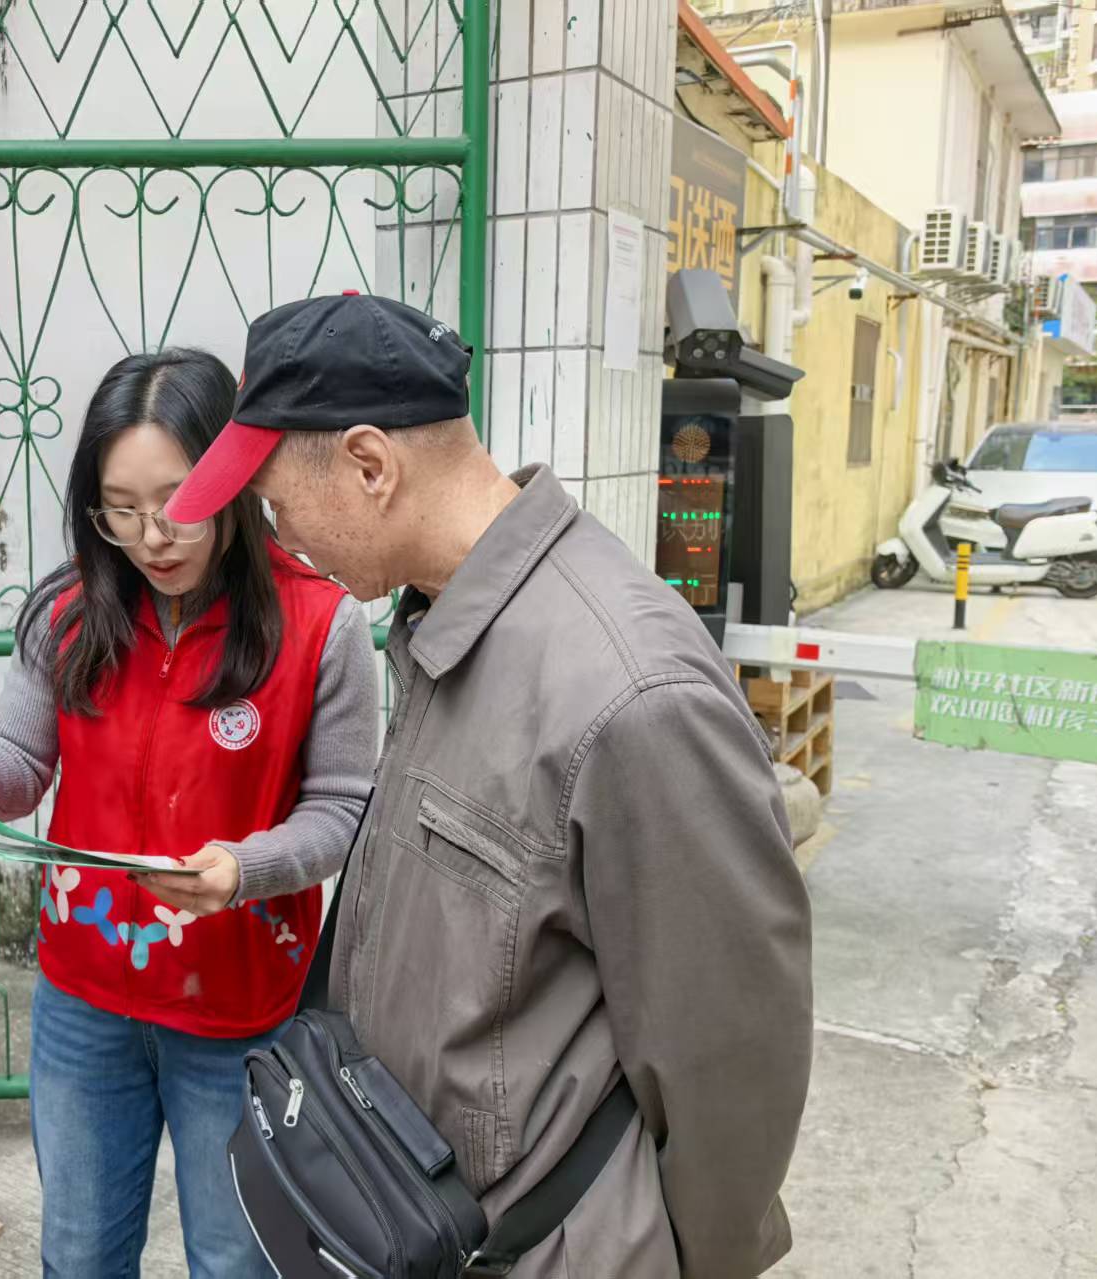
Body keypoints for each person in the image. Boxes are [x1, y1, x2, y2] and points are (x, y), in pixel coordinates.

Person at [164, 295, 814, 1278]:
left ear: (369, 466)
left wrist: (652, 1254)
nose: (278, 535)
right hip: (430, 1221)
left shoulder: (630, 692)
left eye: (272, 500)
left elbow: (732, 1065)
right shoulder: (446, 617)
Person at [0, 348, 376, 1279]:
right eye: (120, 507)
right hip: (85, 1002)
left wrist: (245, 868)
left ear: (233, 480)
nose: (153, 535)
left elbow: (343, 808)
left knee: (236, 1263)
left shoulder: (321, 624)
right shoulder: (69, 611)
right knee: (80, 1254)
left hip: (240, 1010)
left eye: (178, 499)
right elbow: (18, 756)